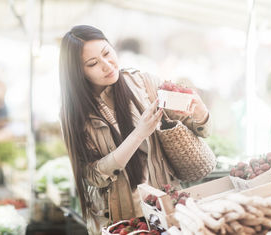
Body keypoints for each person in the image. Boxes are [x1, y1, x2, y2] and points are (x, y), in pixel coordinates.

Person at [58, 25, 211, 234]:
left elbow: (199, 129)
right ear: (78, 72)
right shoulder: (75, 115)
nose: (106, 65)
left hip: (166, 207)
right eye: (93, 63)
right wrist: (139, 133)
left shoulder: (145, 83)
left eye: (106, 53)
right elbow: (93, 175)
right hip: (122, 219)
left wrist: (200, 113)